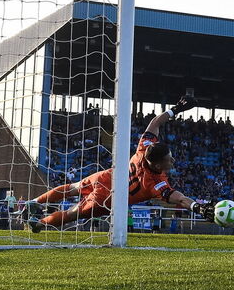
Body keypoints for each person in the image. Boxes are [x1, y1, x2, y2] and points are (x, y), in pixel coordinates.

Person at [26, 97, 216, 232]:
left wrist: (175, 109)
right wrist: (198, 208)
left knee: (73, 188)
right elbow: (181, 199)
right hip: (108, 198)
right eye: (169, 159)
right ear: (158, 165)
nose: (173, 161)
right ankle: (40, 223)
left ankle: (34, 203)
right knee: (71, 214)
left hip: (107, 176)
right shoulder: (154, 183)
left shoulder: (145, 147)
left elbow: (155, 123)